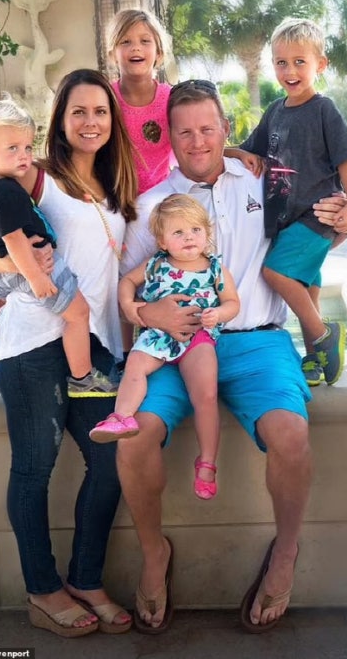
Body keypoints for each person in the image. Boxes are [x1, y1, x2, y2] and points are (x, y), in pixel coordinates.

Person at [115, 78, 347, 634]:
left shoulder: (264, 180)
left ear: (226, 129)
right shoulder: (152, 206)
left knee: (291, 435)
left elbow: (322, 219)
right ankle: (154, 554)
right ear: (169, 137)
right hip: (176, 345)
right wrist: (147, 314)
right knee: (134, 436)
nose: (197, 141)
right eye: (185, 132)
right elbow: (127, 288)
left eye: (208, 129)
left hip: (257, 341)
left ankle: (285, 554)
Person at [0, 69, 138, 637]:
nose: (90, 121)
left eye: (100, 111)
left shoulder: (114, 183)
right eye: (78, 111)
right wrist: (10, 265)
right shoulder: (31, 174)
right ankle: (42, 589)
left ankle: (85, 578)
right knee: (35, 468)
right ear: (60, 120)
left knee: (111, 460)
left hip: (92, 344)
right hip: (32, 344)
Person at [0, 98, 117, 397]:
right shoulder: (6, 191)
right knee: (78, 314)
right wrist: (37, 277)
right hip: (40, 266)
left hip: (3, 276)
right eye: (13, 148)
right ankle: (82, 377)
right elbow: (14, 239)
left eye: (28, 147)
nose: (24, 156)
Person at [89, 193, 240, 503]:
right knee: (135, 366)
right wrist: (130, 305)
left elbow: (232, 302)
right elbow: (127, 282)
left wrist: (219, 314)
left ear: (207, 233)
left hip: (197, 335)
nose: (189, 238)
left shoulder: (215, 268)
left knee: (206, 394)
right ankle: (122, 417)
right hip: (157, 335)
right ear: (162, 241)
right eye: (178, 232)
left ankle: (207, 462)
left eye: (195, 230)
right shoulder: (156, 263)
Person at [239, 18, 347, 387]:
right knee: (307, 287)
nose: (290, 71)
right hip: (287, 219)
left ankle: (324, 335)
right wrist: (229, 151)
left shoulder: (324, 109)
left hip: (316, 216)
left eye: (299, 62)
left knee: (275, 273)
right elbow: (249, 149)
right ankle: (315, 359)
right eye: (281, 62)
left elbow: (346, 161)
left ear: (319, 65)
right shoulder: (275, 111)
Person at [108, 8, 174, 195]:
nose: (135, 47)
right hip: (114, 198)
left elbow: (193, 143)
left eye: (145, 41)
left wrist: (234, 153)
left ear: (159, 53)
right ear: (112, 55)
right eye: (125, 42)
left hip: (161, 198)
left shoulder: (171, 99)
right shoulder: (106, 98)